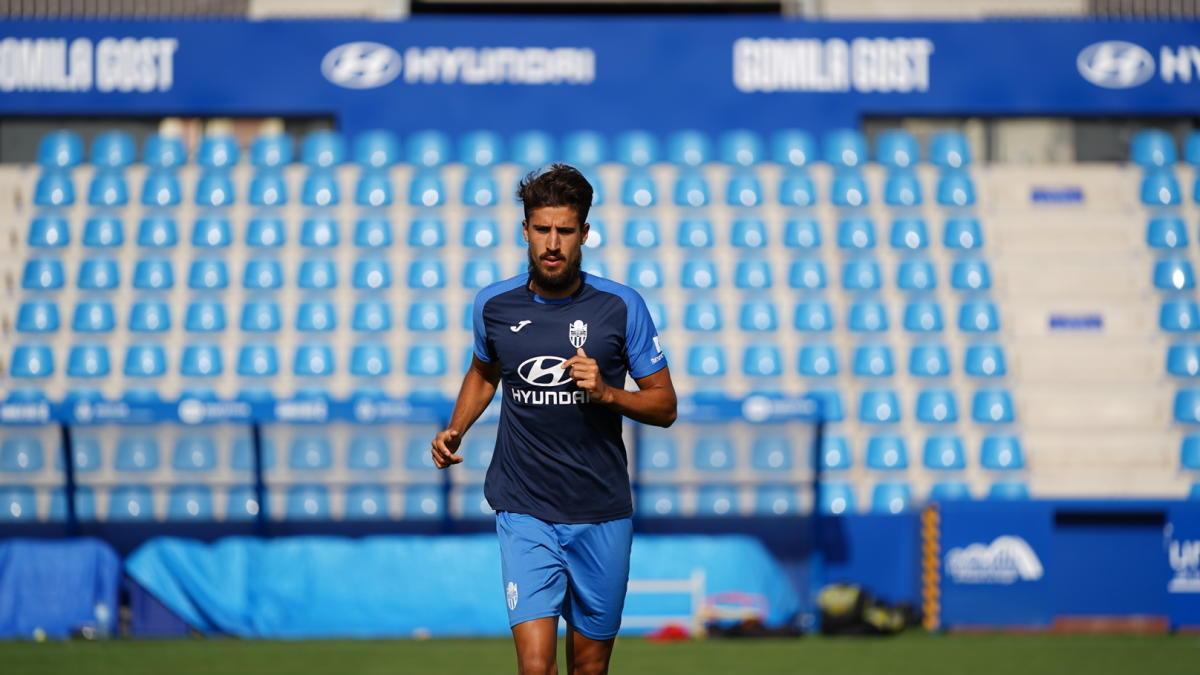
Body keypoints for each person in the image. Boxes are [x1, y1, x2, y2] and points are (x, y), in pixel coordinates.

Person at [431, 163, 677, 674]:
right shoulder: (493, 306)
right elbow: (483, 373)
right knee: (536, 666)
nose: (552, 243)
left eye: (565, 231)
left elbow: (665, 405)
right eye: (542, 229)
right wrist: (456, 428)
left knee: (587, 668)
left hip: (601, 512)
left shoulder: (621, 307)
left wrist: (608, 393)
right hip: (525, 509)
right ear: (525, 230)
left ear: (584, 233)